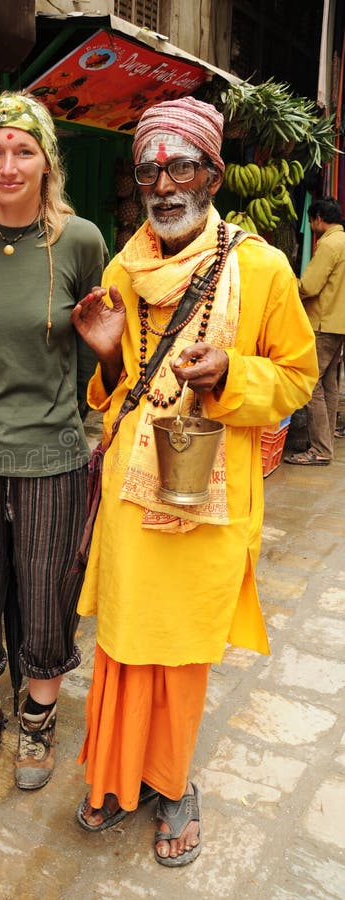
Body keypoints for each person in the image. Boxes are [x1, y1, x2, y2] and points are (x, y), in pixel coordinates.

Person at [70, 97, 317, 866]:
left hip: (207, 495)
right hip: (128, 489)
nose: (162, 183)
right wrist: (107, 357)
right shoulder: (122, 264)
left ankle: (172, 783)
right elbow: (116, 392)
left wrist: (227, 376)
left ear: (211, 174)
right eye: (148, 169)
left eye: (180, 166)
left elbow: (296, 378)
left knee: (177, 651)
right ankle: (116, 777)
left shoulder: (261, 267)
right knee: (122, 638)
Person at [0, 91, 108, 791]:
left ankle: (36, 723)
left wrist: (66, 413)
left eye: (23, 150)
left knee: (45, 590)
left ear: (46, 161)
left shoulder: (82, 240)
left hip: (52, 451)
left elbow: (94, 349)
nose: (8, 165)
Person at [284, 196, 345, 464]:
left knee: (311, 383)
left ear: (319, 219)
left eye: (311, 220)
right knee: (329, 383)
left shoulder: (330, 244)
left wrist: (286, 285)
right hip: (338, 323)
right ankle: (326, 439)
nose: (310, 225)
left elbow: (309, 286)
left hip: (323, 322)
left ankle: (320, 450)